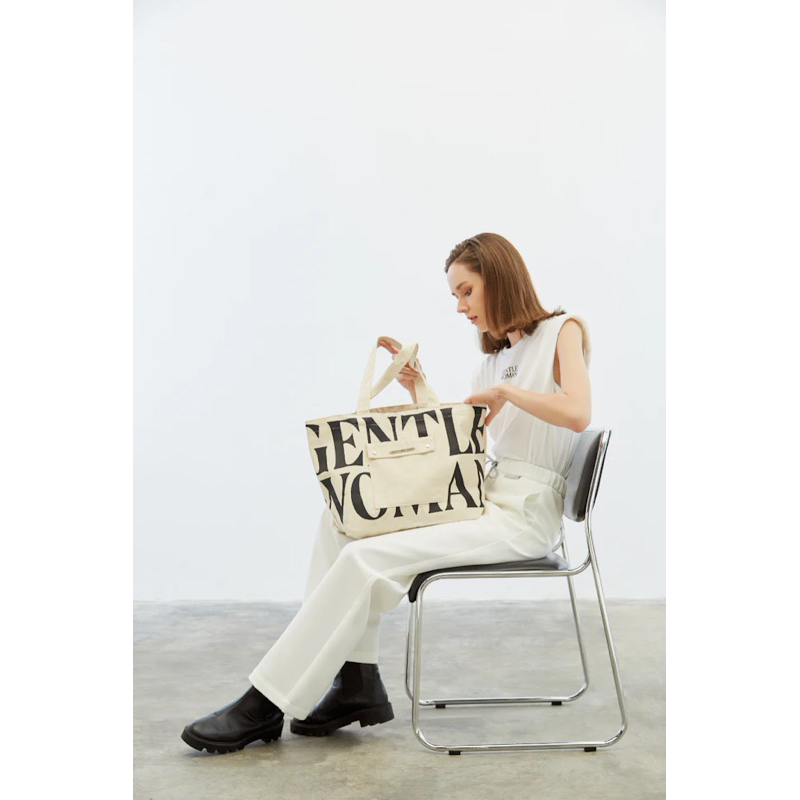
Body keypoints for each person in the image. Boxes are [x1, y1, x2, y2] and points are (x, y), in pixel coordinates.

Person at [181, 232, 592, 754]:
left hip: (525, 515)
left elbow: (578, 413)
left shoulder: (562, 331)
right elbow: (461, 444)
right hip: (485, 498)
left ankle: (265, 701)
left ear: (499, 277)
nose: (460, 307)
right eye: (455, 296)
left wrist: (506, 392)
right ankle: (356, 680)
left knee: (365, 559)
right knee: (343, 523)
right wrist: (419, 388)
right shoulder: (492, 360)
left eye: (466, 291)